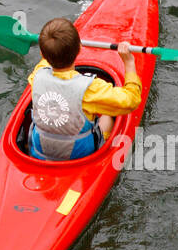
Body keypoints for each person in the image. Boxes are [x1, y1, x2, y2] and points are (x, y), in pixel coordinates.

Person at [27, 17, 142, 160]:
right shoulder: (90, 89)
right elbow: (131, 100)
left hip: (40, 150)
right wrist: (129, 63)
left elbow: (46, 61)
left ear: (42, 55)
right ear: (80, 49)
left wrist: (50, 48)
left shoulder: (36, 74)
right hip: (78, 155)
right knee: (107, 116)